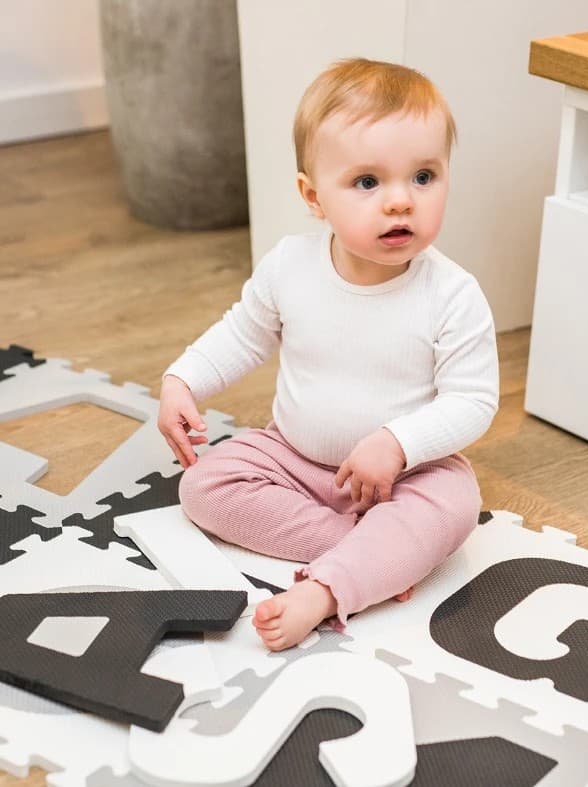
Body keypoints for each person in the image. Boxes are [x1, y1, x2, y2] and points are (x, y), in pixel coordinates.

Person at [158, 58, 499, 652]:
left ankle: (326, 590)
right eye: (368, 183)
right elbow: (243, 335)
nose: (401, 202)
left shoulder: (452, 294)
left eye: (424, 177)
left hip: (408, 475)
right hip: (295, 458)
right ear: (314, 197)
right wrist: (182, 379)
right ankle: (372, 554)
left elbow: (472, 402)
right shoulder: (290, 266)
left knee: (454, 504)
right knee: (204, 485)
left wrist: (397, 444)